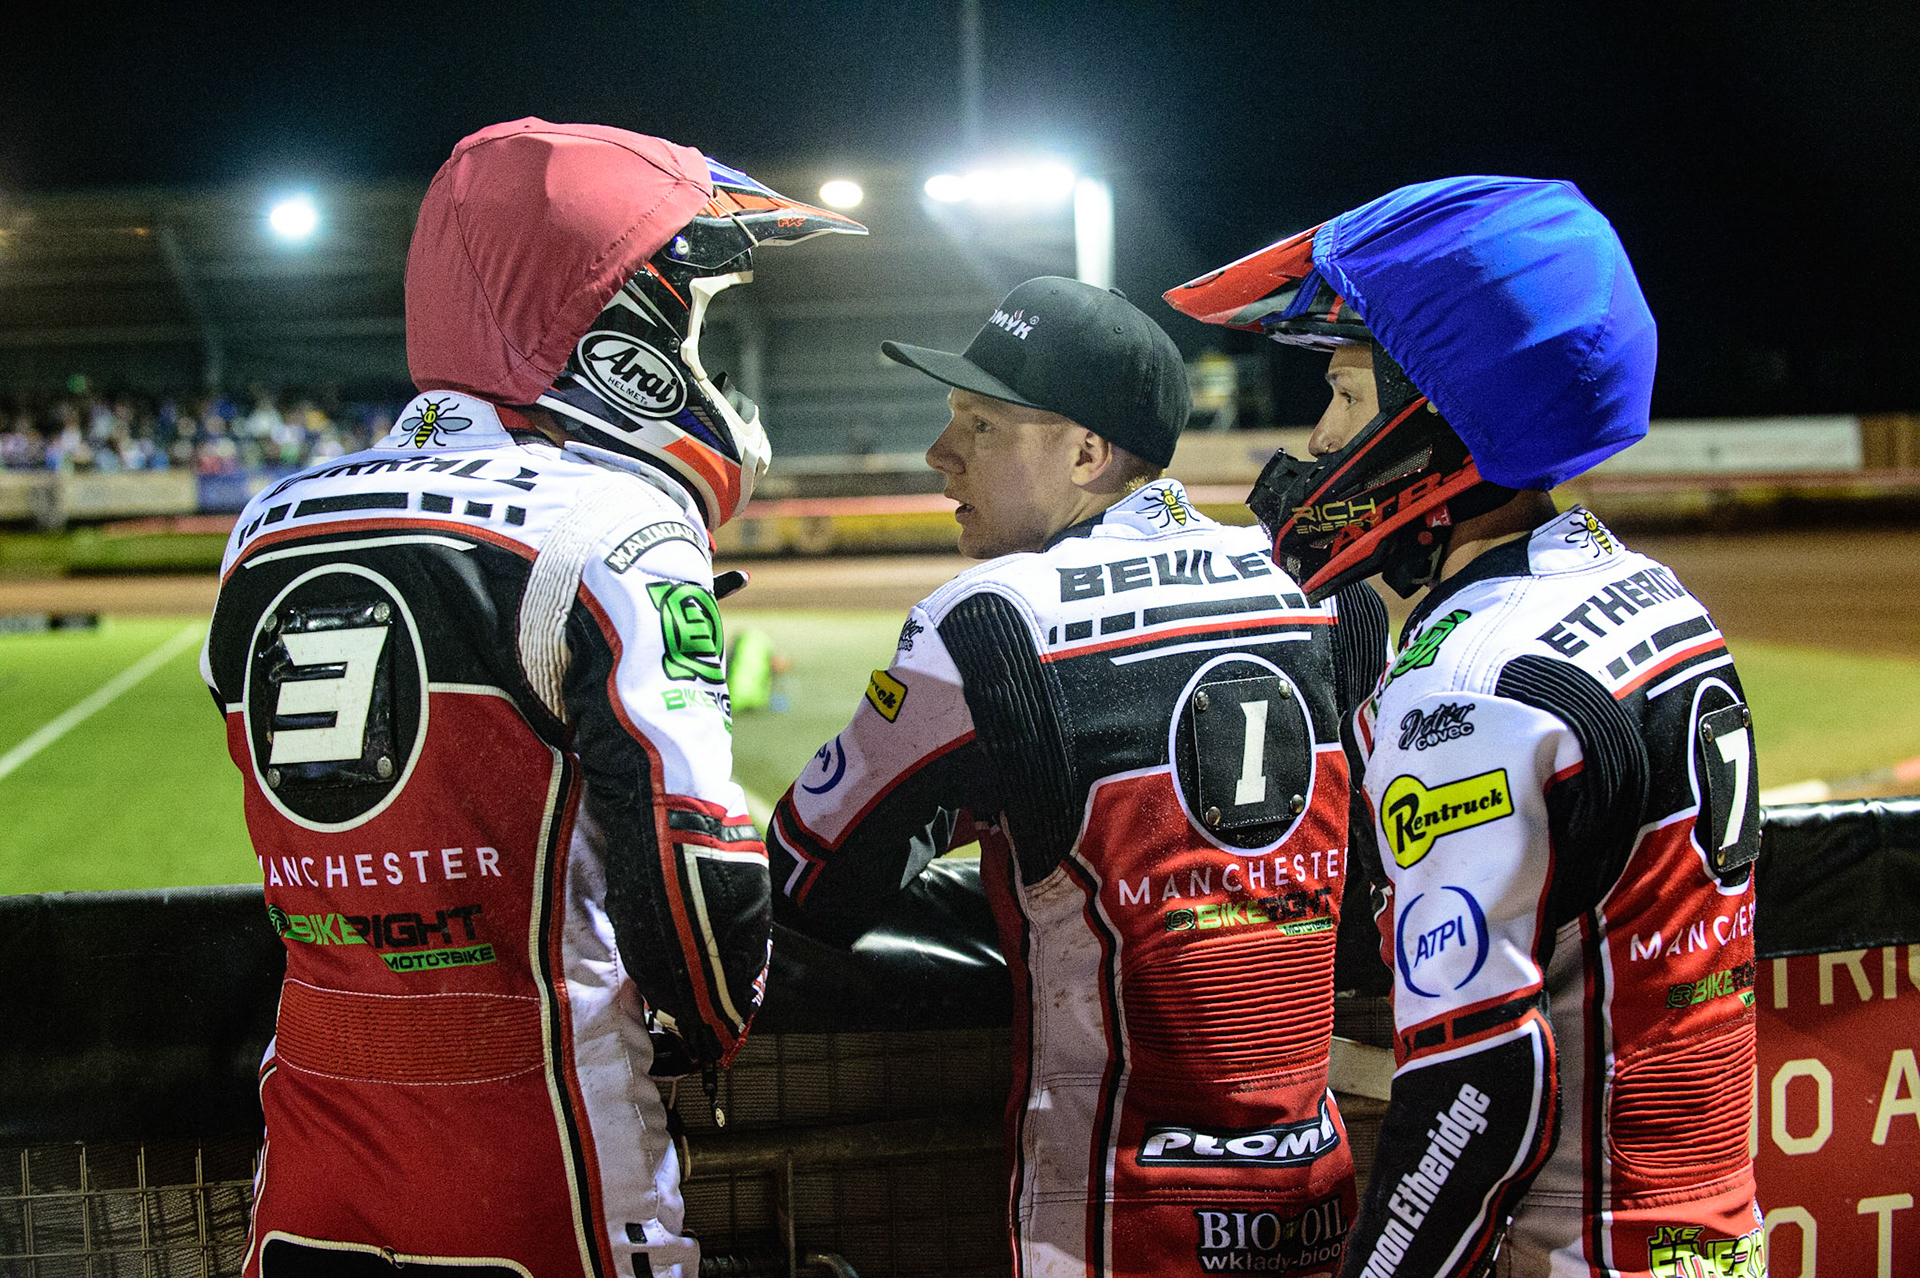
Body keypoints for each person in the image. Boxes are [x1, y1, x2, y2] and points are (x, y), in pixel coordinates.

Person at [200, 118, 864, 1278]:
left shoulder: (267, 523)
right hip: (542, 1130)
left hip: (311, 1119)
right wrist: (709, 1025)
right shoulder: (617, 527)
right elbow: (692, 859)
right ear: (619, 329)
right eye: (696, 314)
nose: (709, 358)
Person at [1166, 176, 1766, 1278]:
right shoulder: (1649, 595)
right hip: (1703, 1229)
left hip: (1564, 1246)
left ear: (1436, 420)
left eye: (1343, 398)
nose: (1312, 441)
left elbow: (1484, 1082)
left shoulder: (1473, 685)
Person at [766, 276, 1387, 1278]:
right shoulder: (1324, 596)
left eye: (982, 424)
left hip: (1112, 1218)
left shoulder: (991, 620)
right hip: (1316, 1205)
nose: (940, 453)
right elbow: (1365, 891)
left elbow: (809, 882)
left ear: (1088, 454)